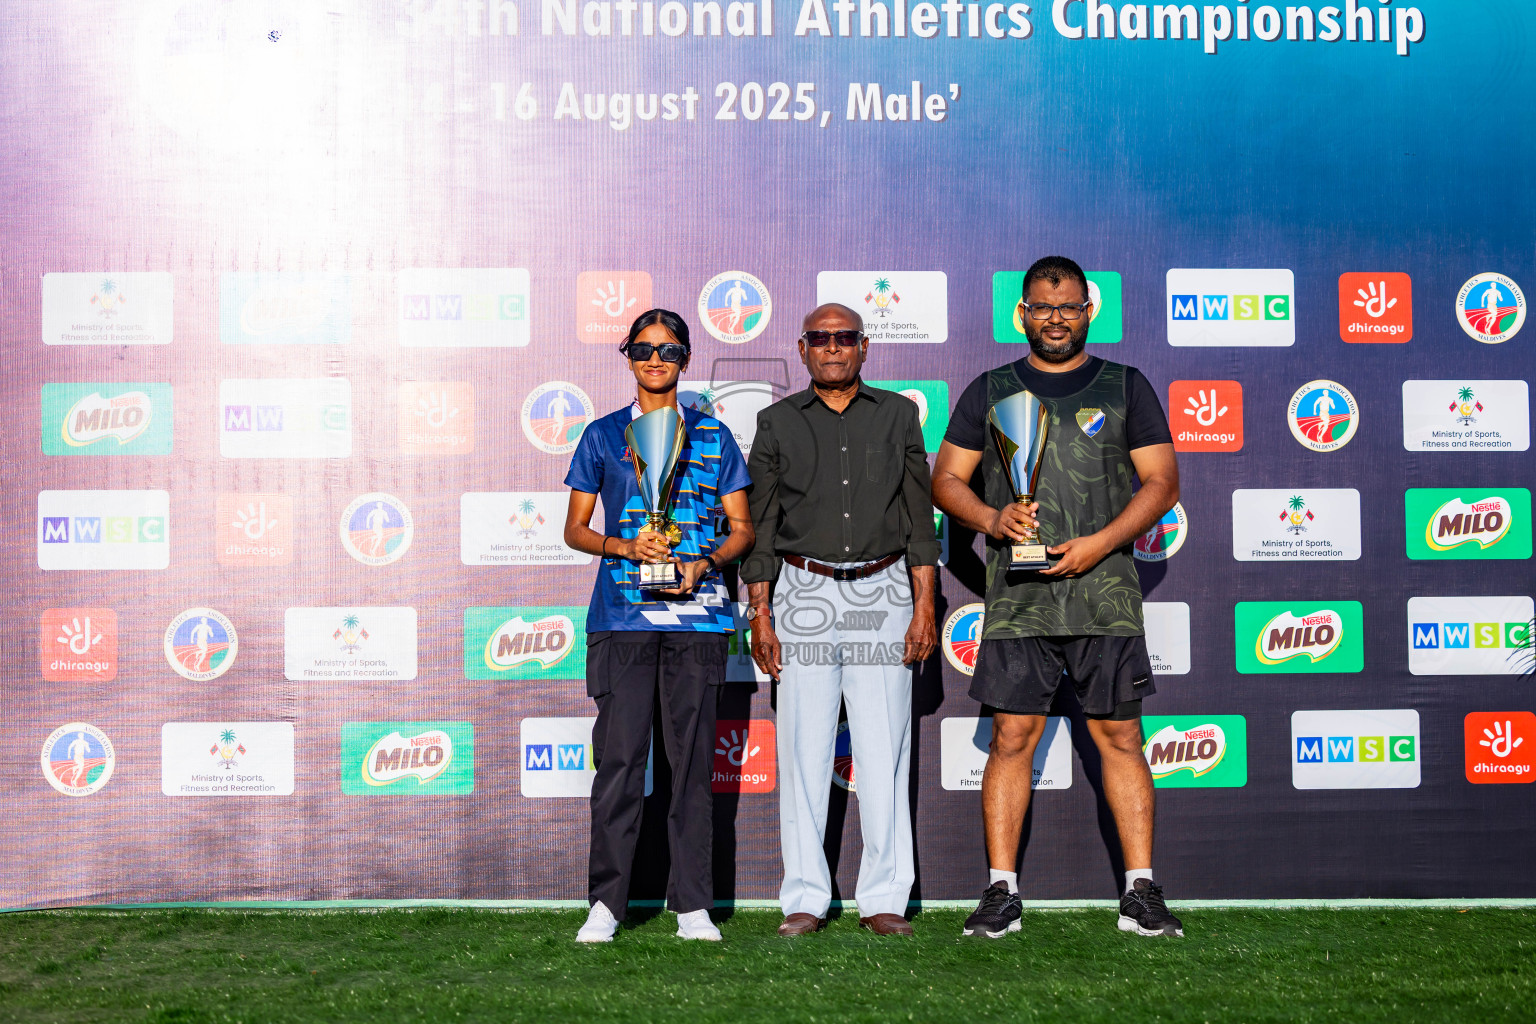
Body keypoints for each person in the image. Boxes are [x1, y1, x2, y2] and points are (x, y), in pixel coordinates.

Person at [931, 256, 1184, 939]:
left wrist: (1100, 543)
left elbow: (1162, 482)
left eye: (1068, 307)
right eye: (1043, 309)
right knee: (1012, 738)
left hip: (1106, 596)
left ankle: (1140, 891)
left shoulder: (1125, 385)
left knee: (1121, 737)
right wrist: (991, 520)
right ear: (1022, 313)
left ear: (1088, 310)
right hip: (1019, 598)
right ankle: (1001, 891)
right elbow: (947, 480)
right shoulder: (991, 389)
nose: (1056, 320)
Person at [743, 303, 939, 938]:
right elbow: (762, 527)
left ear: (864, 348)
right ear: (802, 350)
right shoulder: (774, 422)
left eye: (845, 338)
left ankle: (885, 897)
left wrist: (925, 604)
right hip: (801, 589)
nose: (833, 348)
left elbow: (919, 520)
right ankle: (804, 897)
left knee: (884, 749)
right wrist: (762, 613)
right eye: (821, 339)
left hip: (884, 590)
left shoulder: (899, 414)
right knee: (802, 746)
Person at [562, 308, 755, 944]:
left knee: (692, 765)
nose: (655, 360)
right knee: (619, 763)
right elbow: (575, 529)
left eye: (668, 351)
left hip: (697, 622)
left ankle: (692, 904)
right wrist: (624, 548)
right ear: (627, 356)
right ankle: (608, 904)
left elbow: (744, 529)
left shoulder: (715, 436)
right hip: (620, 620)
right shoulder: (601, 435)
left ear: (686, 359)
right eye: (643, 349)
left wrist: (702, 561)